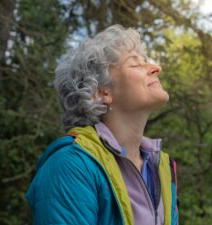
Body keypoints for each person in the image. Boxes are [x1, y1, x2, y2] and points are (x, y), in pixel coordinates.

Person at [26, 24, 179, 225]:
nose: (156, 68)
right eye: (134, 64)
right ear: (102, 92)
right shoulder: (71, 164)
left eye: (146, 61)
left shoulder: (161, 168)